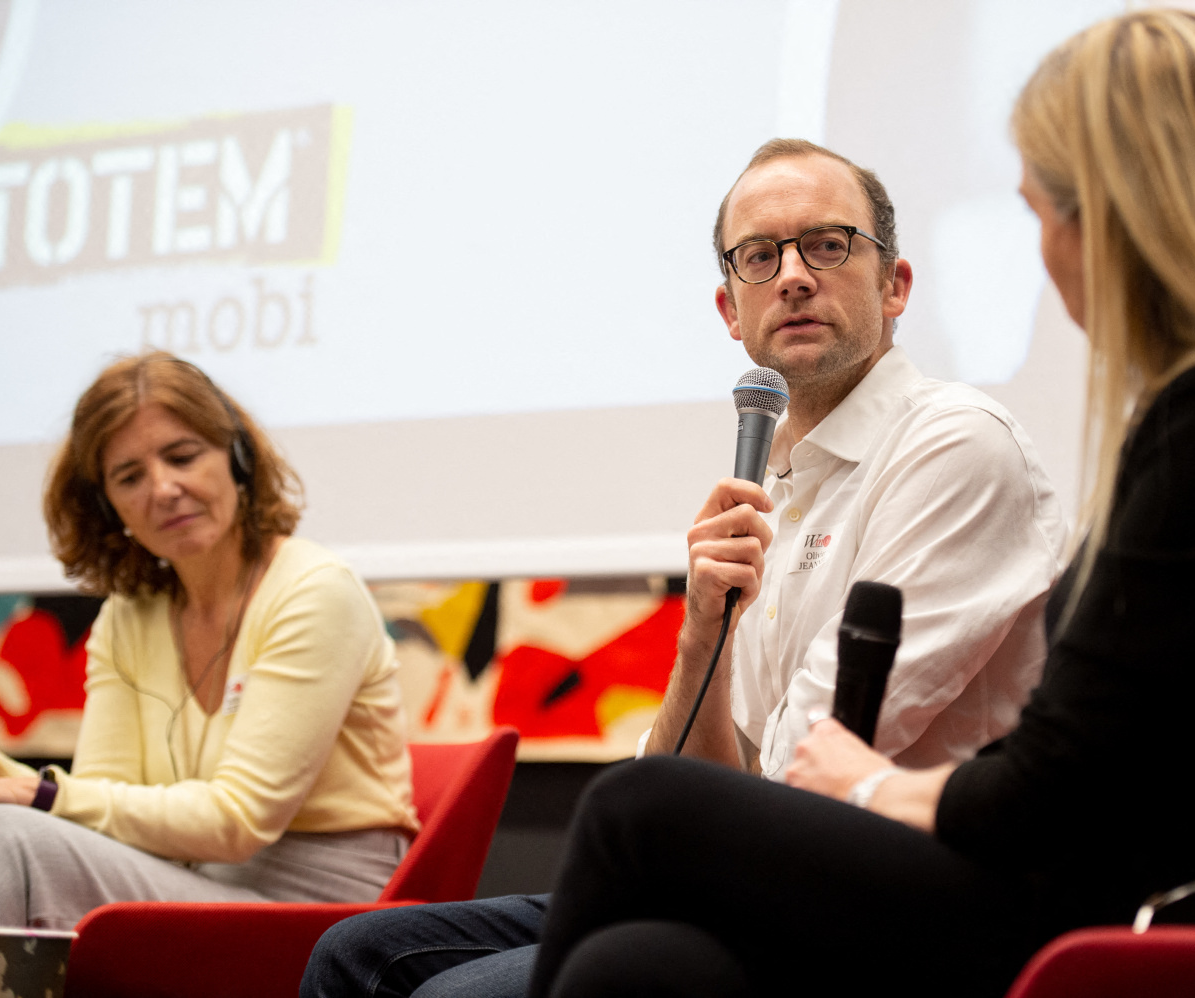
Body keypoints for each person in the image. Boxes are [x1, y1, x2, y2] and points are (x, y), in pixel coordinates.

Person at [523, 11, 1195, 998]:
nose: (1047, 258)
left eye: (1042, 214)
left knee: (641, 809)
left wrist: (869, 784)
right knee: (639, 964)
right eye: (760, 257)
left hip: (1164, 930)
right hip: (1176, 901)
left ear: (1120, 214)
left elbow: (1050, 793)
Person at [300, 140, 1065, 997]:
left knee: (454, 993)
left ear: (895, 287)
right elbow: (700, 786)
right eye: (760, 256)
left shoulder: (953, 444)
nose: (794, 277)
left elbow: (800, 780)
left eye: (828, 244)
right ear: (729, 310)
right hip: (761, 876)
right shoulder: (769, 484)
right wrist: (705, 633)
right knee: (351, 955)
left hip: (897, 896)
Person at [0, 352, 418, 997]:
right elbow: (102, 802)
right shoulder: (127, 617)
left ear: (236, 458)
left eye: (182, 457)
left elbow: (238, 822)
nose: (162, 489)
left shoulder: (315, 590)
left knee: (7, 835)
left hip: (327, 918)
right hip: (193, 882)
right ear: (110, 507)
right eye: (129, 475)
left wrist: (32, 789)